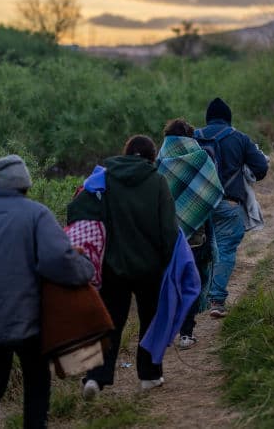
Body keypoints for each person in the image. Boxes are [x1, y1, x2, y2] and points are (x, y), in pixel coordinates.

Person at [0, 154, 94, 429]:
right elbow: (58, 260)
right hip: (29, 323)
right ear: (25, 184)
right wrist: (85, 270)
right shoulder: (36, 214)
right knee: (37, 385)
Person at [72, 136, 178, 399]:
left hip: (112, 268)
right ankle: (149, 377)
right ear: (153, 157)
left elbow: (77, 211)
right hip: (149, 269)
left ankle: (95, 378)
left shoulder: (104, 179)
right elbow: (168, 230)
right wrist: (169, 263)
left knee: (109, 323)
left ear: (126, 153)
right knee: (151, 321)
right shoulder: (157, 182)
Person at [195, 98, 269, 318]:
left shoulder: (193, 137)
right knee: (225, 249)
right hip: (228, 203)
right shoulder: (239, 138)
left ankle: (193, 305)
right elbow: (261, 168)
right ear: (228, 118)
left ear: (208, 118)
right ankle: (216, 300)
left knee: (199, 251)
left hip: (197, 206)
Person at [156, 118, 224, 349]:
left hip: (166, 237)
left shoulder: (159, 162)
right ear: (189, 137)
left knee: (170, 283)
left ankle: (168, 331)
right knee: (191, 283)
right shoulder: (202, 159)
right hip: (196, 236)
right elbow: (212, 191)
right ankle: (186, 333)